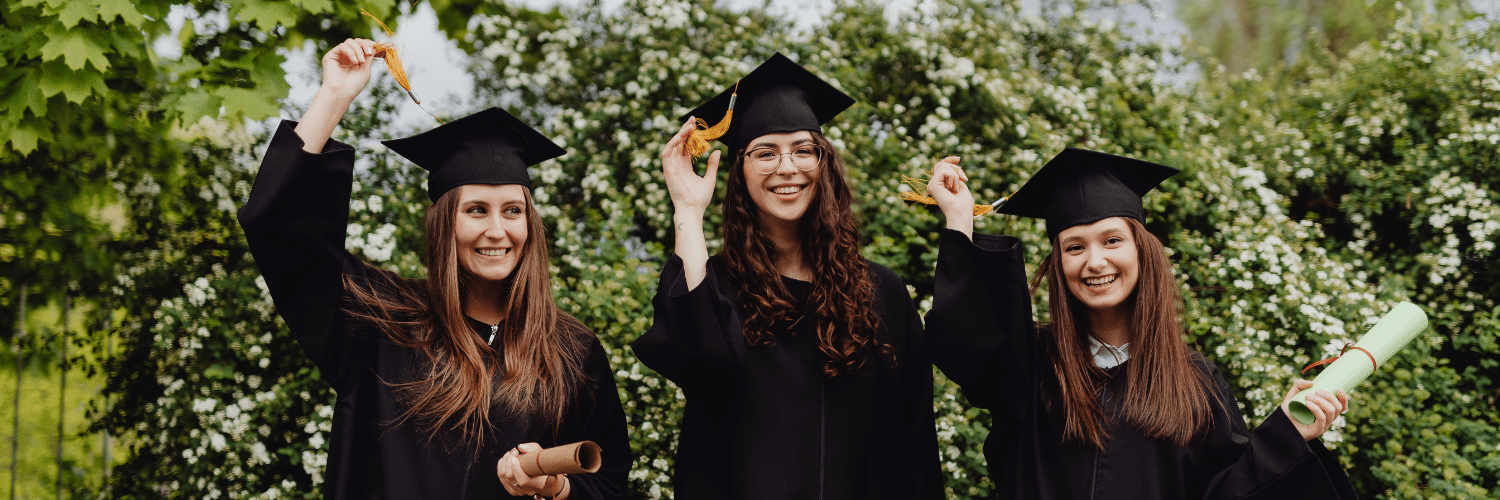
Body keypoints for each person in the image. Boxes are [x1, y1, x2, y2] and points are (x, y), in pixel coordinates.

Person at [238, 38, 629, 499]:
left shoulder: (572, 350)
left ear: (530, 224)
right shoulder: (378, 321)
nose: (498, 231)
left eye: (512, 211)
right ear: (446, 223)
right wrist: (334, 96)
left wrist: (557, 489)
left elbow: (609, 485)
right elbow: (280, 230)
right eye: (477, 210)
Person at [921, 149, 1358, 499]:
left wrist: (1286, 435)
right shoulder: (1030, 364)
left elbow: (1228, 490)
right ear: (1058, 263)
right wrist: (960, 221)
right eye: (1074, 247)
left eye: (1112, 241)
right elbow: (966, 343)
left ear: (1140, 251)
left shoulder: (1194, 381)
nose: (1095, 262)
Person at [632, 53, 943, 499]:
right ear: (739, 170)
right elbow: (697, 360)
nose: (787, 167)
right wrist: (687, 209)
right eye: (765, 153)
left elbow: (915, 440)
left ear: (825, 164)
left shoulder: (881, 291)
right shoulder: (716, 283)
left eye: (803, 149)